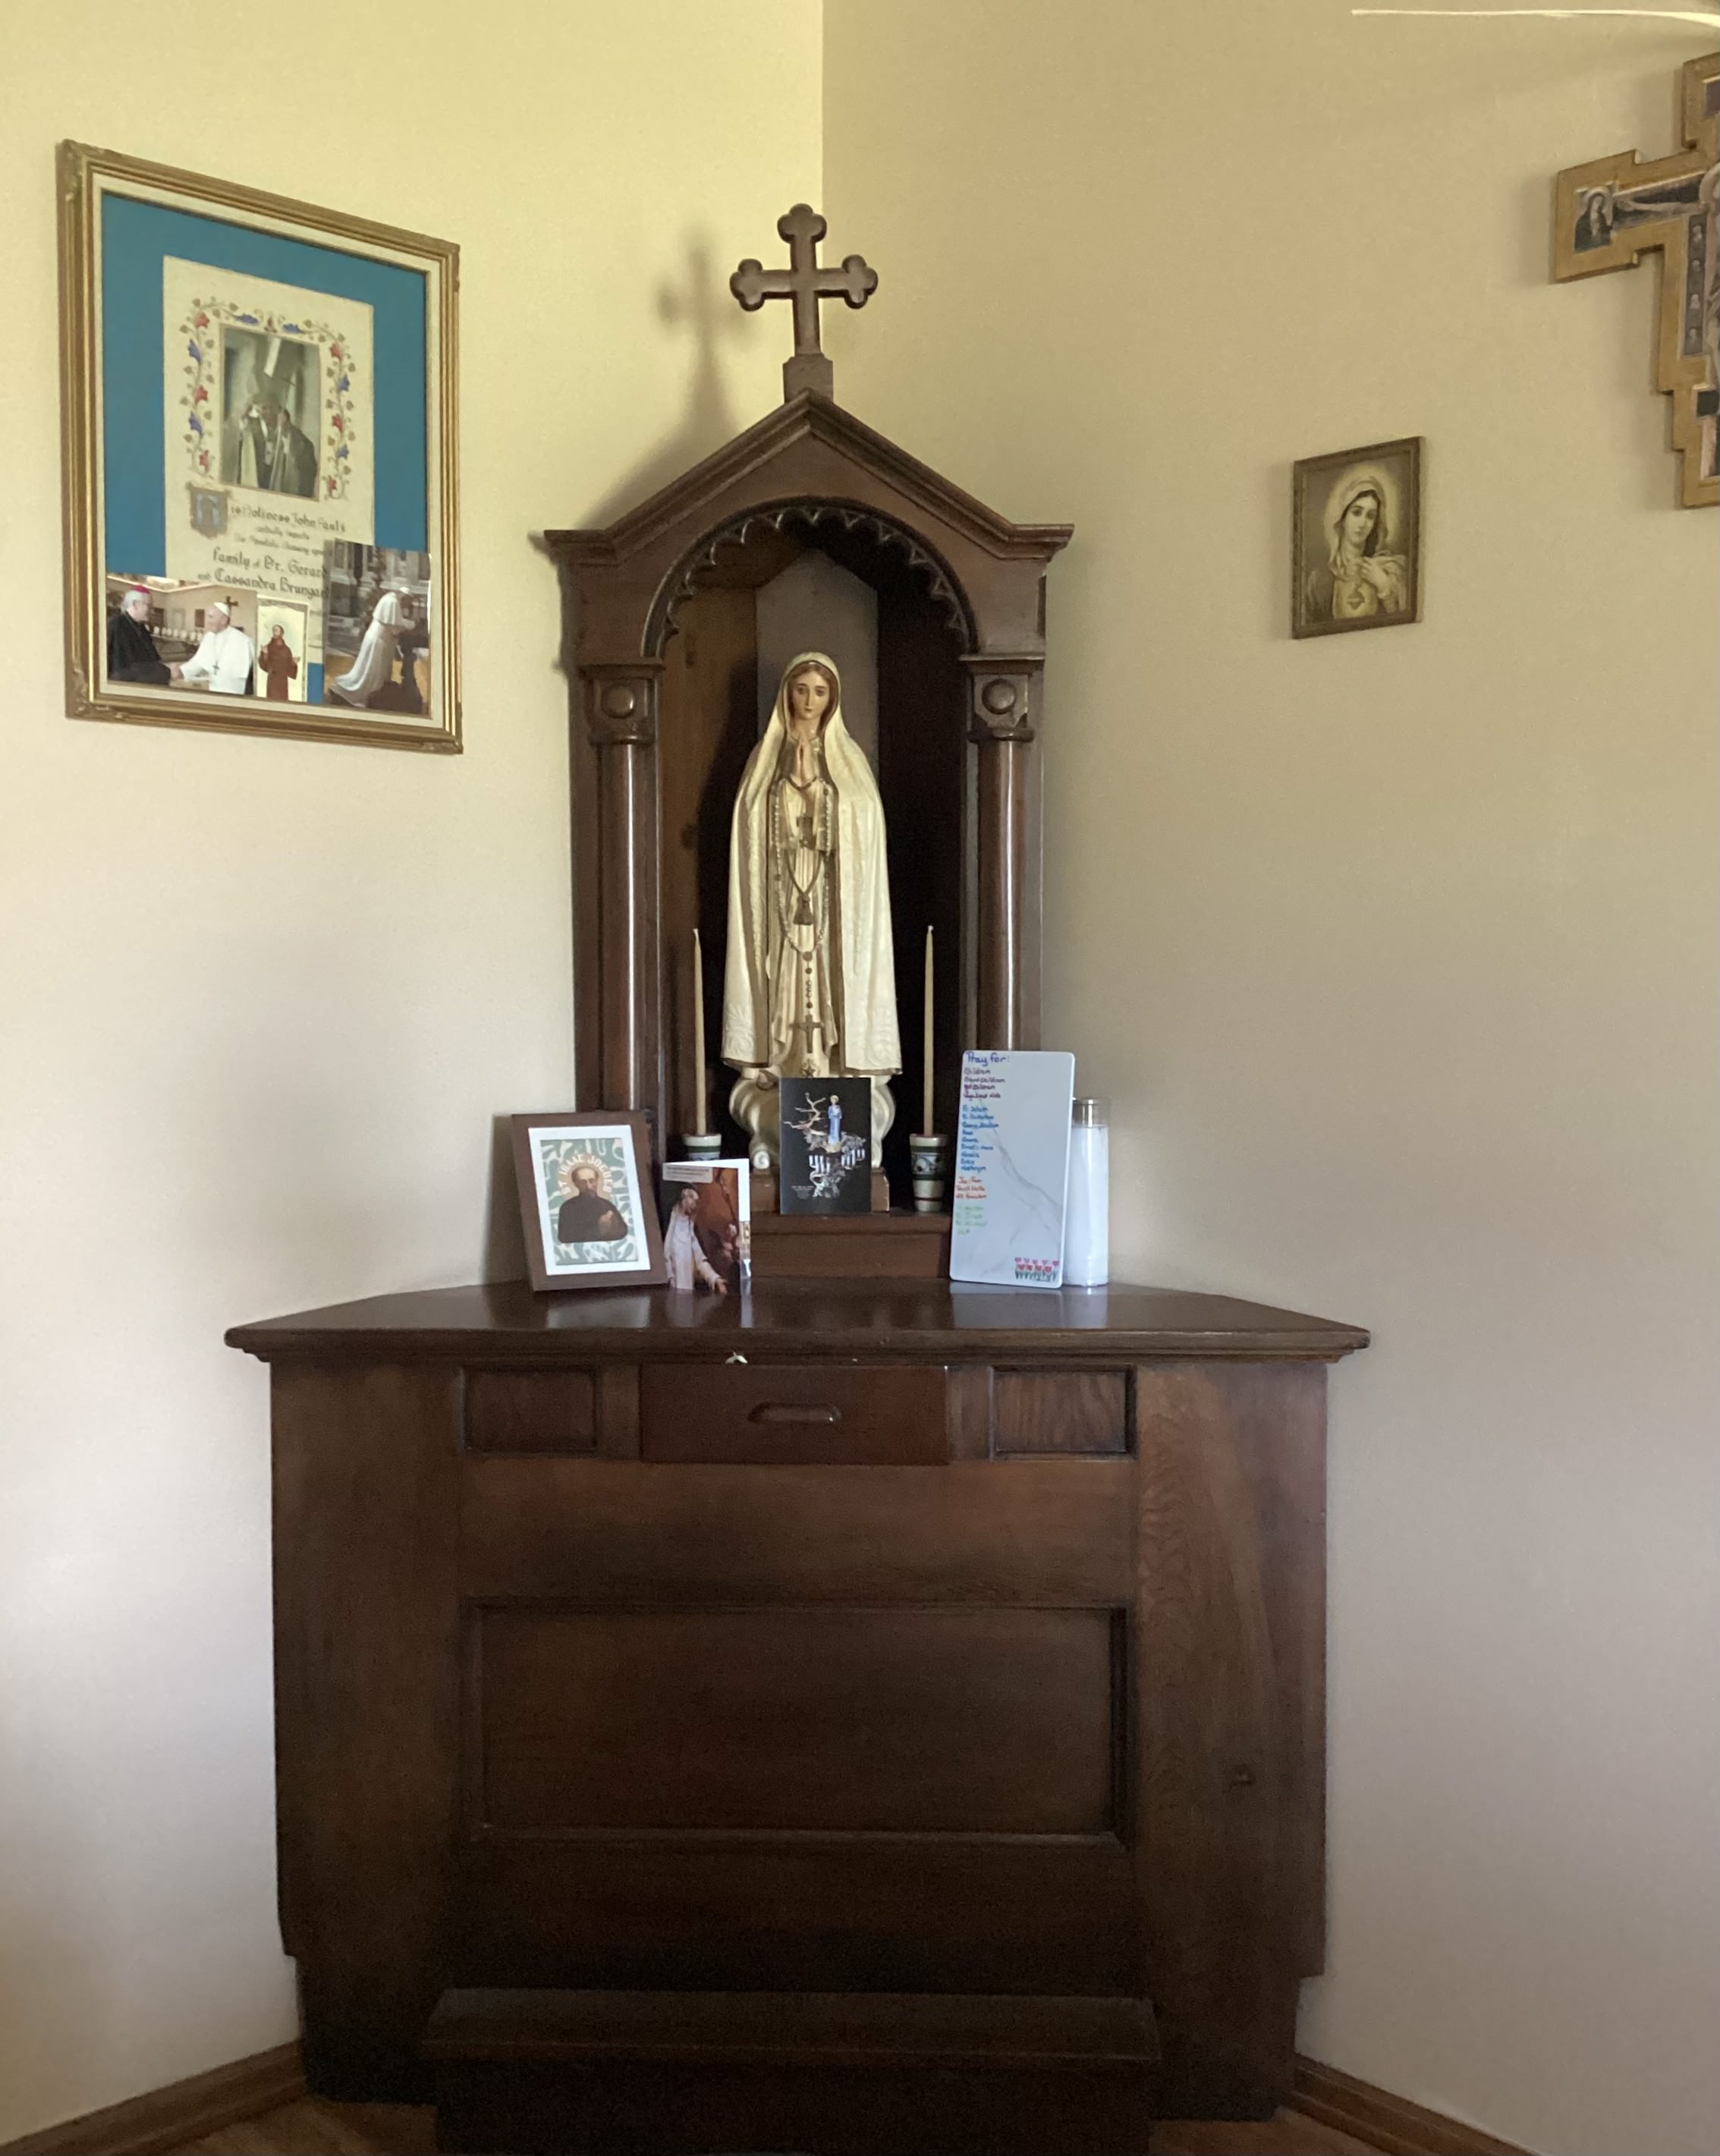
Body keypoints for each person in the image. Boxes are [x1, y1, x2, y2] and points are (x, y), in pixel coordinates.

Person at [722, 651, 900, 1166]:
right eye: (801, 689)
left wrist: (821, 791)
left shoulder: (847, 760)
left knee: (829, 988)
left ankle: (835, 1070)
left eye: (819, 692)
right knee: (784, 983)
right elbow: (751, 820)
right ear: (787, 693)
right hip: (783, 901)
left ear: (832, 699)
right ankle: (782, 1068)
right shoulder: (765, 760)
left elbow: (865, 819)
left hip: (832, 907)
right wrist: (786, 786)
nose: (809, 701)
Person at [1304, 474, 1408, 624]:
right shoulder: (1319, 580)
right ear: (1343, 517)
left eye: (1370, 516)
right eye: (1357, 512)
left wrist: (1384, 586)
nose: (1363, 523)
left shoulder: (1390, 570)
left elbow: (1403, 626)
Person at [227, 392, 318, 498]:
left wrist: (287, 433)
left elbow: (306, 453)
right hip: (258, 480)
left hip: (279, 482)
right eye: (264, 408)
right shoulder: (250, 429)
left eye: (272, 408)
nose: (269, 412)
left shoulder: (289, 430)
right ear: (257, 411)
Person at [328, 590, 404, 707]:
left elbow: (392, 623)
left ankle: (373, 695)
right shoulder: (392, 602)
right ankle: (365, 695)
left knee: (371, 671)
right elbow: (394, 628)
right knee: (371, 673)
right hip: (378, 640)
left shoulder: (389, 599)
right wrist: (411, 625)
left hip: (377, 638)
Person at [173, 601, 255, 694]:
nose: (207, 621)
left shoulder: (243, 641)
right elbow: (199, 661)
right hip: (212, 690)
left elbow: (242, 672)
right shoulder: (209, 636)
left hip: (233, 692)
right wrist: (182, 671)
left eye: (211, 617)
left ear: (224, 620)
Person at [663, 1185, 727, 1294]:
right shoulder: (669, 1225)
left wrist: (715, 1278)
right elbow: (666, 1255)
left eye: (696, 1200)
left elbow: (700, 1260)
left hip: (687, 1292)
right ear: (683, 1197)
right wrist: (669, 1278)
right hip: (669, 1291)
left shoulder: (690, 1230)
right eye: (691, 1198)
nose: (694, 1204)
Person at [105, 587, 170, 686]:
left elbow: (152, 658)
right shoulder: (115, 625)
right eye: (149, 606)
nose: (152, 611)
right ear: (136, 604)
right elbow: (117, 668)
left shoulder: (142, 627)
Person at [555, 1161, 627, 1245]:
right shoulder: (568, 1207)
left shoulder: (607, 1205)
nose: (588, 1186)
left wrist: (613, 1224)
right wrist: (599, 1228)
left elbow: (623, 1232)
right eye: (583, 1182)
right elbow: (565, 1237)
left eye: (592, 1181)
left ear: (597, 1181)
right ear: (575, 1184)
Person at [259, 625, 299, 702]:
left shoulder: (286, 650)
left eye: (276, 631)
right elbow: (264, 665)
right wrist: (265, 654)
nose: (274, 633)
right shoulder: (268, 647)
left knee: (283, 701)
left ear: (282, 633)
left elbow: (290, 667)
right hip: (273, 679)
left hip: (282, 680)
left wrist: (294, 663)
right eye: (273, 630)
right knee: (272, 700)